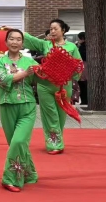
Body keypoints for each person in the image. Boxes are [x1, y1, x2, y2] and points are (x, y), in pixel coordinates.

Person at [21, 19, 83, 154]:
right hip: (45, 85)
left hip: (64, 86)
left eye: (55, 29)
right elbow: (30, 39)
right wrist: (14, 31)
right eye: (51, 29)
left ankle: (57, 140)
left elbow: (78, 66)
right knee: (50, 115)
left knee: (61, 115)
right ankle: (54, 145)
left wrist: (70, 75)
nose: (52, 31)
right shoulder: (46, 44)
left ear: (63, 30)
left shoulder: (72, 47)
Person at [0, 29, 39, 192]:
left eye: (18, 39)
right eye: (11, 39)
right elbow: (3, 79)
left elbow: (40, 80)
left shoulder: (30, 61)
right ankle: (29, 173)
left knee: (19, 141)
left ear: (22, 43)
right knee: (15, 143)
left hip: (27, 106)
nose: (15, 42)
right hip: (7, 105)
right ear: (6, 42)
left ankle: (10, 178)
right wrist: (25, 73)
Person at [77, 32, 88, 106]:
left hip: (84, 66)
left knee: (82, 83)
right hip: (86, 66)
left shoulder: (82, 47)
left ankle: (84, 100)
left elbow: (80, 56)